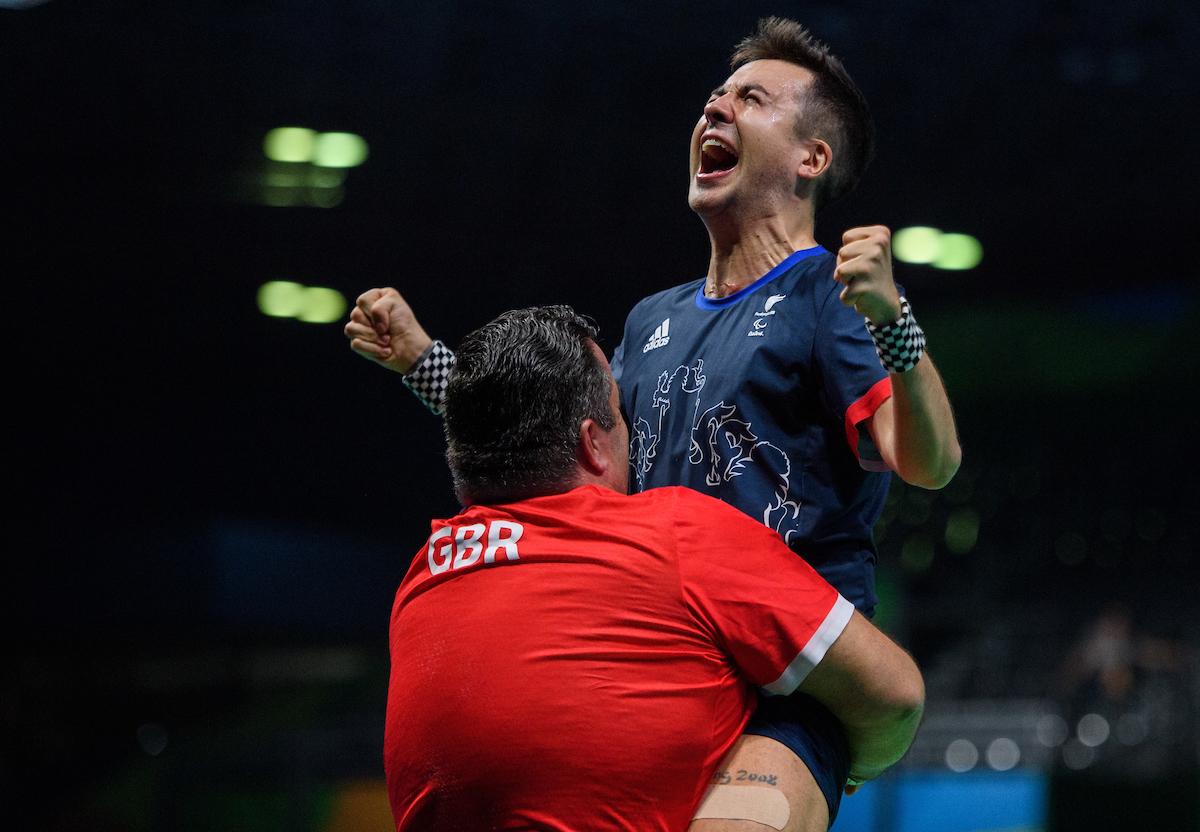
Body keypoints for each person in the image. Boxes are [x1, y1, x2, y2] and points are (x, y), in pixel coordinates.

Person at [350, 16, 957, 826]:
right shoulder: (649, 320)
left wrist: (892, 321)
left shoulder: (827, 298)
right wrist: (427, 362)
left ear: (813, 158)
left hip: (785, 675)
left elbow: (929, 460)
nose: (716, 107)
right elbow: (565, 446)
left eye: (752, 98)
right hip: (658, 653)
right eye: (715, 95)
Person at [384, 305, 924, 831]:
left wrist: (424, 360)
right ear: (593, 443)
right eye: (621, 415)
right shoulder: (677, 533)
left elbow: (508, 427)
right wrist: (827, 755)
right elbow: (894, 699)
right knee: (804, 725)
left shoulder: (423, 576)